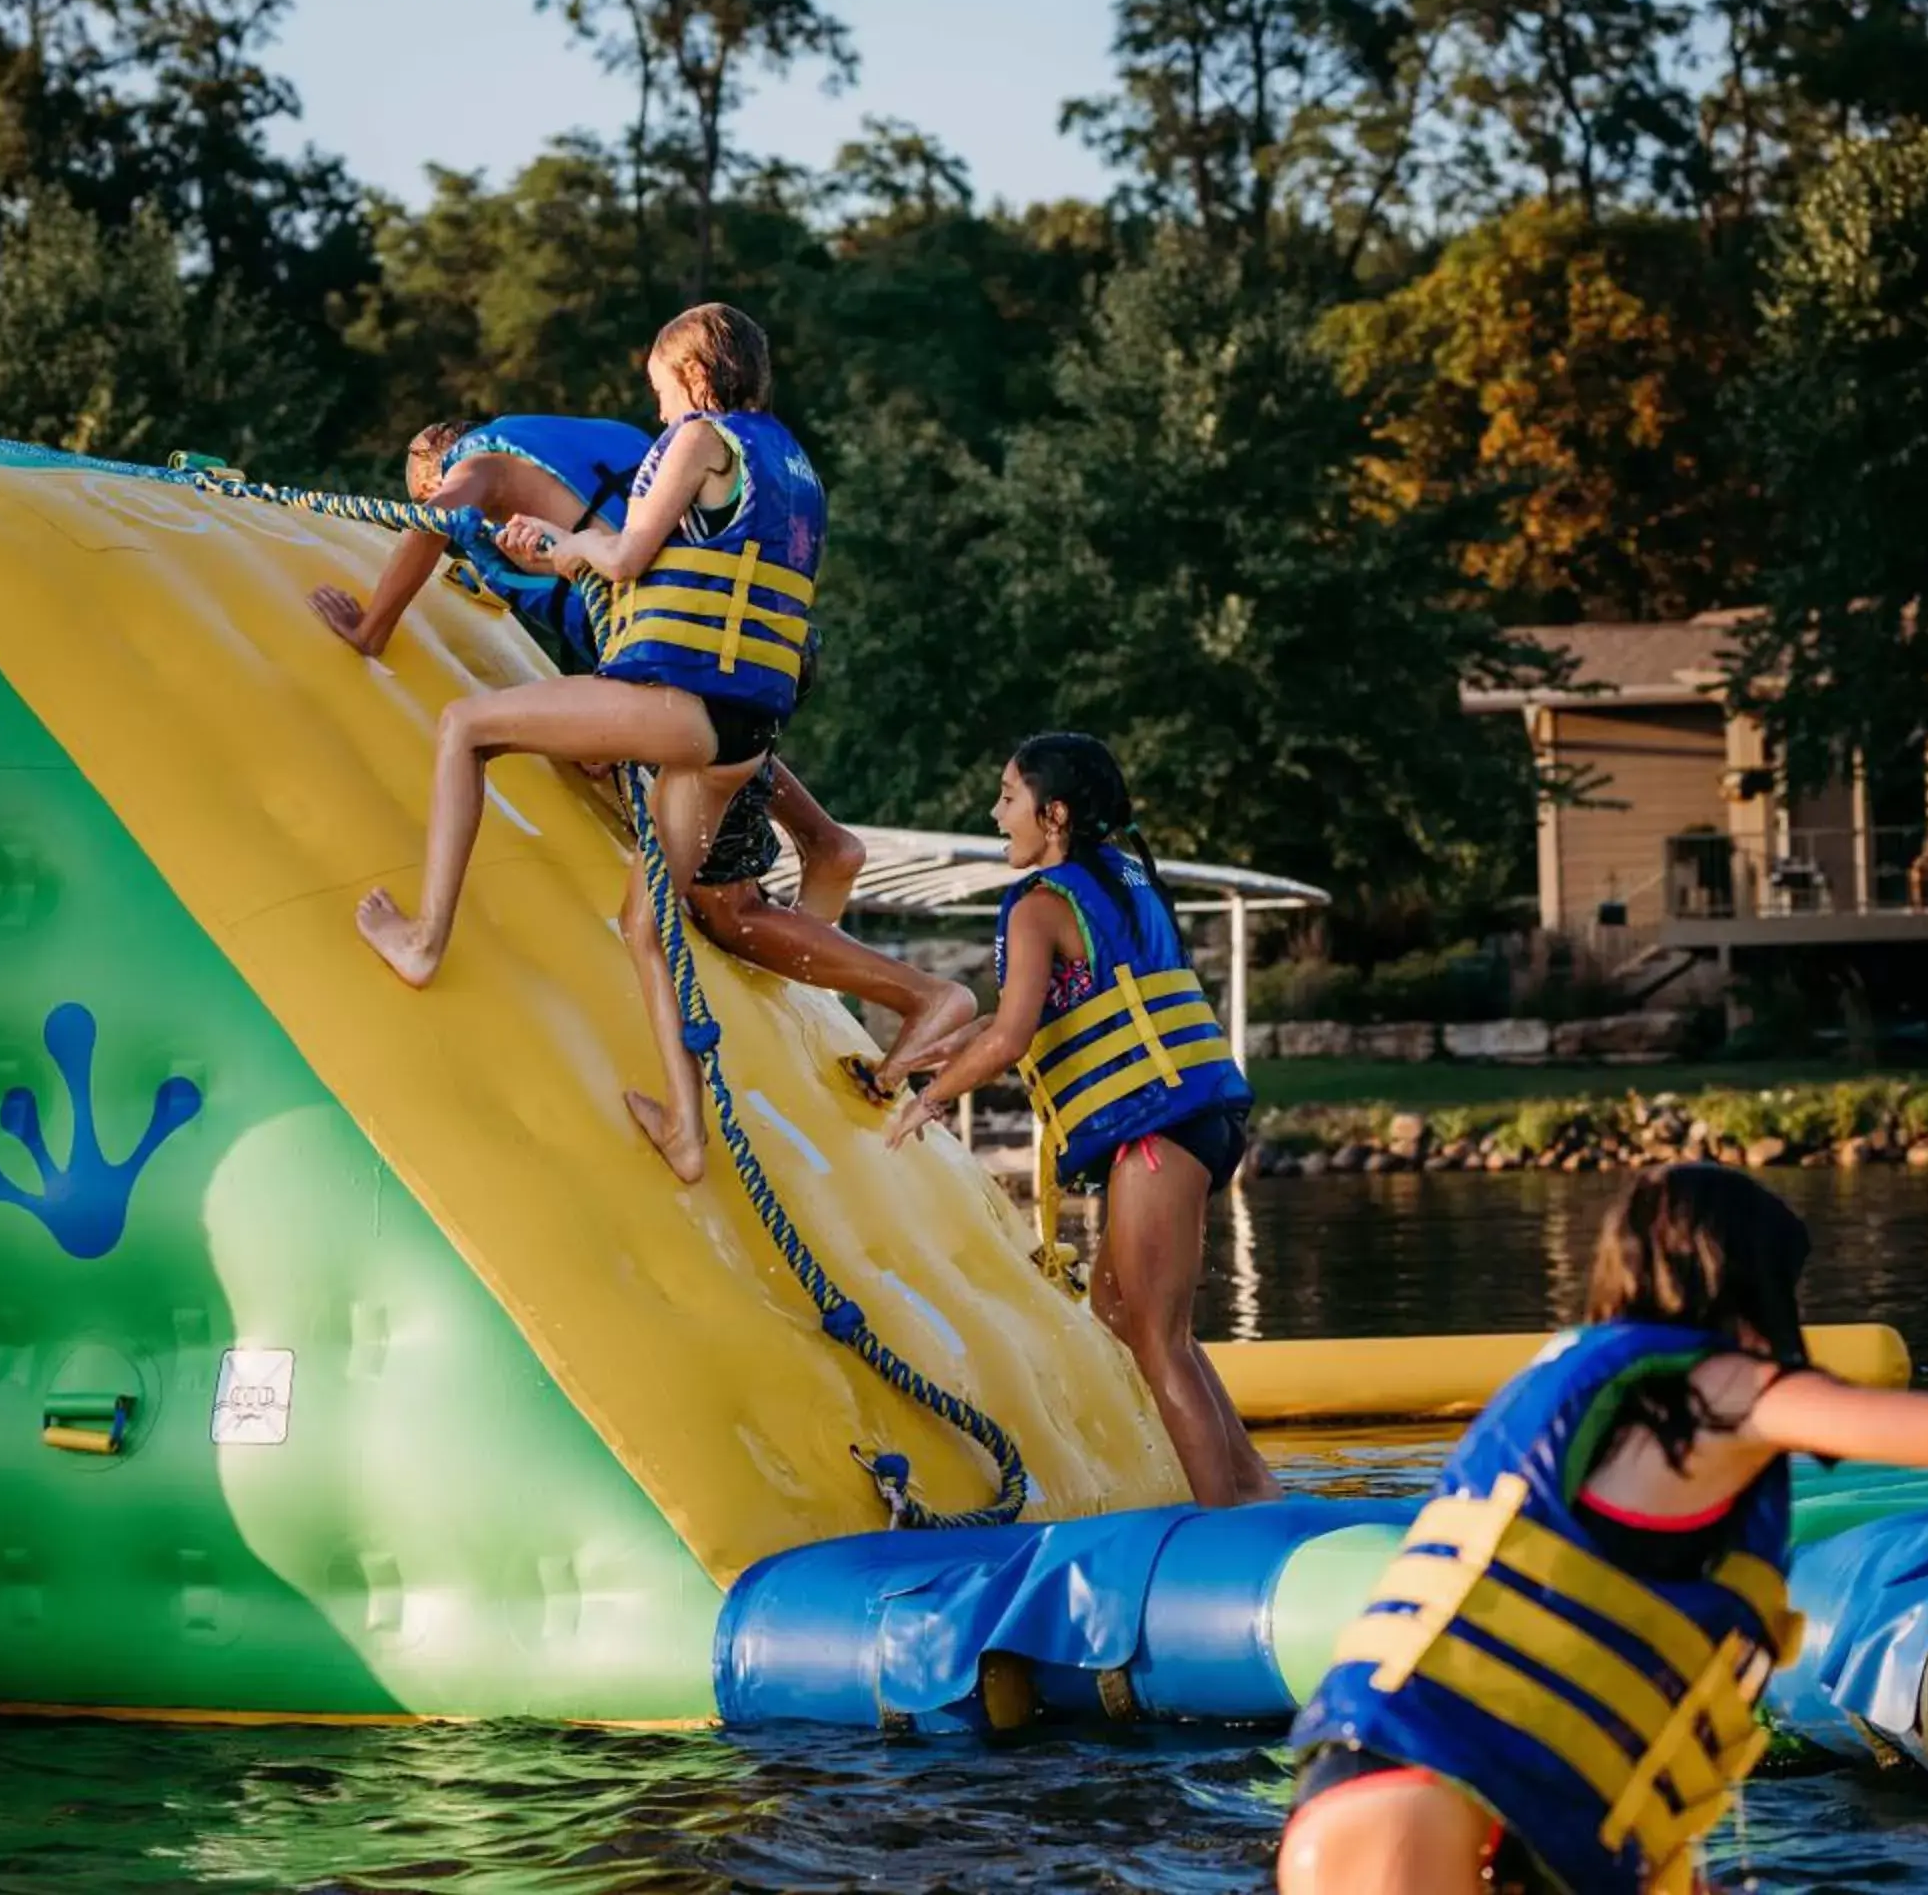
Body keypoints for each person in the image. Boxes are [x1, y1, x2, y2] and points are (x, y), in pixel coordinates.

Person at [1279, 1164, 1928, 1895]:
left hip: (1392, 1797)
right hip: (1415, 1803)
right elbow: (1926, 1431)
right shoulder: (1712, 1388)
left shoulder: (1596, 1399)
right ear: (1749, 1287)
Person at [354, 302, 825, 1185]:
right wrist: (568, 544)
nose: (656, 415)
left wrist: (560, 543)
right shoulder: (794, 464)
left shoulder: (700, 440)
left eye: (659, 392)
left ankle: (423, 941)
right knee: (645, 926)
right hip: (744, 736)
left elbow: (622, 559)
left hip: (685, 705)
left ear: (693, 377)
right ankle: (688, 1133)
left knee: (466, 728)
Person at [882, 732, 1278, 1508]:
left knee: (1159, 1342)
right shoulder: (1119, 876)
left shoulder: (1037, 905)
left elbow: (1011, 1038)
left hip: (1157, 1132)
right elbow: (1046, 1013)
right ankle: (1255, 1488)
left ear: (1052, 813)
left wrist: (925, 1105)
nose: (997, 814)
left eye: (1008, 797)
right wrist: (934, 1057)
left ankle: (1224, 1528)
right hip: (1191, 1120)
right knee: (1121, 1311)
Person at [682, 634, 976, 1087]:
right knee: (740, 740)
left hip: (712, 650)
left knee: (730, 910)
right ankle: (825, 848)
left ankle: (924, 995)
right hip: (766, 640)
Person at [307, 414, 651, 670]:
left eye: (422, 496)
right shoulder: (589, 438)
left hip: (655, 626)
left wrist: (369, 633)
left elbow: (432, 522)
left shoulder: (480, 466)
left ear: (431, 484)